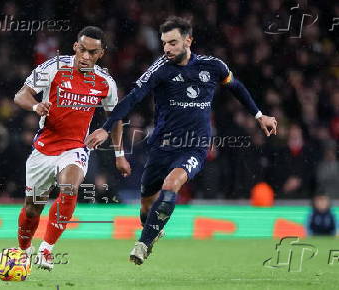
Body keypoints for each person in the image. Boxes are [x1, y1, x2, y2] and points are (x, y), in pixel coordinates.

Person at [85, 16, 278, 265]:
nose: (167, 49)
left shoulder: (213, 66)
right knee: (146, 203)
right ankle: (153, 229)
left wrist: (259, 115)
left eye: (173, 43)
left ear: (188, 40)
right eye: (164, 43)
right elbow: (133, 99)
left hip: (195, 146)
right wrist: (106, 127)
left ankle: (142, 243)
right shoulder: (160, 69)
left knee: (171, 184)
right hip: (163, 146)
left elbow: (236, 87)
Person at [14, 26, 131, 270]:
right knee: (32, 208)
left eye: (93, 52)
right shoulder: (54, 67)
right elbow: (21, 96)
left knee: (69, 188)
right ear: (75, 47)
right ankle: (24, 251)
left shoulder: (105, 82)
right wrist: (36, 107)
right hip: (44, 148)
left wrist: (119, 154)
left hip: (75, 147)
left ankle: (46, 249)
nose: (86, 57)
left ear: (101, 53)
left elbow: (116, 117)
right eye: (83, 50)